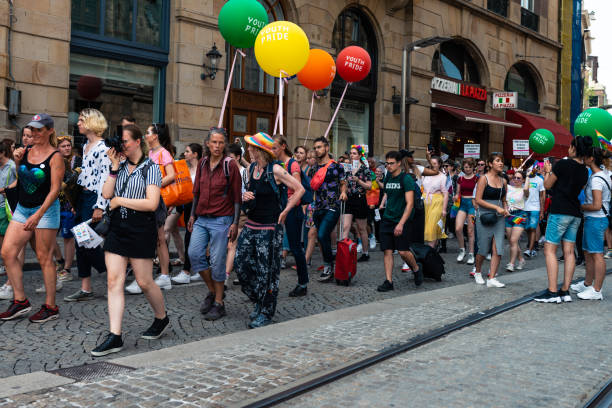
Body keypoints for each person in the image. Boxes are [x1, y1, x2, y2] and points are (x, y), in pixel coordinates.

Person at [91, 125, 169, 356]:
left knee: (144, 282)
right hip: (117, 228)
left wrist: (121, 201)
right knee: (114, 281)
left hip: (141, 228)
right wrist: (114, 167)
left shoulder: (151, 167)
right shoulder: (120, 166)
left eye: (125, 141)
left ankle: (161, 317)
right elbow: (106, 194)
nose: (121, 145)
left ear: (137, 142)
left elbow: (152, 203)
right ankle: (115, 336)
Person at [0, 113, 64, 322]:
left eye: (39, 129)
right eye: (32, 129)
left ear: (50, 131)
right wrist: (18, 163)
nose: (34, 133)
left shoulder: (55, 157)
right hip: (22, 208)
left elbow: (55, 190)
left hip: (45, 210)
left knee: (44, 258)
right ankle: (20, 301)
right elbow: (23, 179)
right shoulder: (25, 151)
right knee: (8, 252)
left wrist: (38, 215)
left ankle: (50, 306)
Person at [236, 132, 304, 328]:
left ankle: (266, 311)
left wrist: (286, 211)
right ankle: (258, 299)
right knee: (241, 264)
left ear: (259, 150)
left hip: (269, 228)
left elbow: (299, 189)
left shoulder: (275, 169)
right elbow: (251, 193)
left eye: (251, 147)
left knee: (268, 272)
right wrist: (246, 196)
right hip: (251, 224)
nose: (248, 150)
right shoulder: (251, 170)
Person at [188, 127, 241, 321]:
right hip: (201, 219)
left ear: (224, 144)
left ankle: (219, 303)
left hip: (222, 220)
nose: (217, 146)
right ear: (208, 144)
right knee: (194, 254)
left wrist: (235, 223)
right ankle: (213, 291)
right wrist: (192, 215)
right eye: (214, 142)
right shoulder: (202, 163)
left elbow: (237, 197)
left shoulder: (230, 165)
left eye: (221, 142)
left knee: (218, 262)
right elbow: (196, 192)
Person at [534, 136, 590, 303]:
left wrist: (547, 172)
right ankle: (565, 291)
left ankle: (552, 292)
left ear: (574, 148)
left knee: (549, 250)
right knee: (569, 251)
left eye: (570, 146)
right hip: (575, 213)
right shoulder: (584, 170)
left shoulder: (563, 164)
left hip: (560, 211)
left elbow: (548, 185)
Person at [64, 109, 110, 302]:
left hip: (93, 199)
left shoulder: (103, 148)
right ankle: (86, 288)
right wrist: (75, 200)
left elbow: (105, 178)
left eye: (82, 120)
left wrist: (99, 206)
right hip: (83, 198)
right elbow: (85, 175)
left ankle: (112, 273)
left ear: (91, 122)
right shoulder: (85, 146)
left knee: (86, 242)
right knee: (81, 241)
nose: (78, 123)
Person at [376, 151, 422, 292]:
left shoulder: (406, 179)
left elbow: (409, 204)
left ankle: (415, 268)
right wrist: (383, 202)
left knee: (403, 252)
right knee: (387, 251)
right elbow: (387, 192)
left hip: (402, 219)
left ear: (398, 163)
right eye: (386, 163)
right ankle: (389, 281)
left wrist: (401, 223)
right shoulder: (388, 177)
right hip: (388, 219)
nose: (388, 166)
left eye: (391, 163)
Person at [272, 136, 310, 296]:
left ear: (283, 146)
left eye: (275, 147)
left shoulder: (292, 164)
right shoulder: (277, 164)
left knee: (295, 248)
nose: (272, 151)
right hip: (282, 209)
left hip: (292, 210)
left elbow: (298, 189)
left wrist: (287, 208)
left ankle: (303, 283)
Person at [571, 147, 610, 300]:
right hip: (593, 219)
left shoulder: (596, 179)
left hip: (596, 218)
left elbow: (596, 205)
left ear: (591, 159)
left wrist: (580, 206)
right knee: (588, 252)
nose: (583, 158)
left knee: (597, 254)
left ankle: (597, 290)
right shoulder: (600, 175)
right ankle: (587, 284)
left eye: (585, 156)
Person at [310, 137, 347, 283]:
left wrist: (343, 192)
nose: (317, 150)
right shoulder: (313, 168)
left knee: (322, 233)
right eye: (315, 147)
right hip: (318, 207)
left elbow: (343, 183)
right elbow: (309, 187)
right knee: (321, 237)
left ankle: (328, 266)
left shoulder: (336, 166)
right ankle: (330, 262)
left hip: (333, 206)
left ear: (326, 148)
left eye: (319, 147)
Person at [473, 153, 509, 288]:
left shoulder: (503, 181)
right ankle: (477, 272)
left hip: (499, 216)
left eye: (502, 161)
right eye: (498, 161)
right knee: (483, 247)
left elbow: (504, 200)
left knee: (498, 247)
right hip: (484, 215)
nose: (501, 163)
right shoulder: (483, 179)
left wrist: (505, 208)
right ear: (490, 164)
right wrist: (496, 207)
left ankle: (492, 277)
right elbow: (478, 200)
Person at [171, 143, 204, 284]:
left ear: (195, 154)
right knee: (192, 238)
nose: (185, 154)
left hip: (198, 207)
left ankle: (186, 271)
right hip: (187, 206)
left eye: (187, 152)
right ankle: (200, 269)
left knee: (191, 238)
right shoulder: (186, 169)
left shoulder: (202, 170)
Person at [223, 142, 248, 286]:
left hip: (242, 212)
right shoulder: (225, 172)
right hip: (227, 212)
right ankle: (239, 272)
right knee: (231, 245)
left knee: (233, 245)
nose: (228, 161)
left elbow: (249, 192)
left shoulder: (245, 172)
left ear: (238, 158)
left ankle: (225, 278)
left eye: (231, 158)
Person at [342, 145, 372, 261]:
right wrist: (343, 191)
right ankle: (343, 252)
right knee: (346, 226)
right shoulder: (347, 168)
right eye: (351, 153)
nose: (352, 155)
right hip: (349, 199)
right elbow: (343, 183)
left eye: (354, 153)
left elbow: (369, 186)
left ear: (359, 156)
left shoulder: (365, 169)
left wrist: (358, 180)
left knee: (361, 228)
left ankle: (365, 253)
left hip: (360, 199)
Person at [454, 158, 477, 265]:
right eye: (466, 167)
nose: (467, 169)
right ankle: (462, 250)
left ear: (473, 167)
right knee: (458, 228)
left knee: (470, 231)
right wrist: (456, 196)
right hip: (462, 204)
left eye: (469, 167)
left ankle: (471, 253)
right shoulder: (460, 178)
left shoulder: (477, 179)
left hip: (472, 205)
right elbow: (458, 192)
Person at [504, 170, 529, 271]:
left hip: (519, 215)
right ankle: (521, 259)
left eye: (519, 178)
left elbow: (526, 189)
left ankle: (511, 263)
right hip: (509, 215)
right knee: (511, 241)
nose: (516, 179)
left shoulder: (524, 190)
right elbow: (504, 200)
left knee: (514, 240)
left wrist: (527, 177)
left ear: (523, 180)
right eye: (515, 177)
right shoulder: (509, 188)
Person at [422, 156, 448, 249]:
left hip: (437, 203)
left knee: (432, 228)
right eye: (431, 163)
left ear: (439, 164)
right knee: (426, 228)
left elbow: (445, 194)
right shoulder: (425, 174)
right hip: (425, 202)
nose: (432, 165)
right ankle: (432, 251)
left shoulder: (443, 177)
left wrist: (444, 209)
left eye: (435, 164)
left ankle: (430, 252)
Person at [0, 140, 17, 285]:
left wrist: (6, 189)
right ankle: (6, 265)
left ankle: (11, 274)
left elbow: (20, 180)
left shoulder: (12, 166)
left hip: (7, 208)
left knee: (8, 241)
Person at [523, 163, 546, 258]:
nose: (531, 170)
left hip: (535, 208)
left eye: (533, 168)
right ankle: (531, 247)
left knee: (532, 228)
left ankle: (530, 249)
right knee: (527, 229)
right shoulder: (523, 179)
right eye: (529, 168)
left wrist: (541, 211)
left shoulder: (540, 180)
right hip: (524, 208)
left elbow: (542, 196)